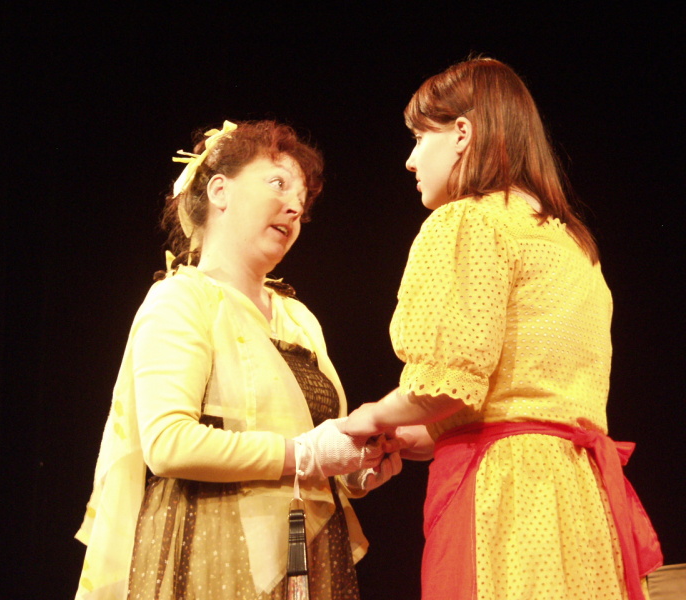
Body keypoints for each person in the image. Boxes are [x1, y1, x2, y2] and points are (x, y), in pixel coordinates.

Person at [341, 58, 663, 600]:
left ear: (461, 133)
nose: (411, 159)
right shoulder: (571, 242)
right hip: (580, 497)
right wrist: (424, 433)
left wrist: (373, 415)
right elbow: (528, 395)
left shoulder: (469, 220)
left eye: (420, 137)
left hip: (509, 499)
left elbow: (446, 384)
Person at [74, 120, 401, 600]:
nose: (295, 207)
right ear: (220, 191)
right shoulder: (182, 300)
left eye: (302, 199)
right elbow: (168, 443)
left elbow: (318, 437)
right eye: (278, 184)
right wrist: (305, 456)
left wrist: (355, 465)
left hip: (304, 555)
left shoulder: (298, 318)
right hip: (210, 544)